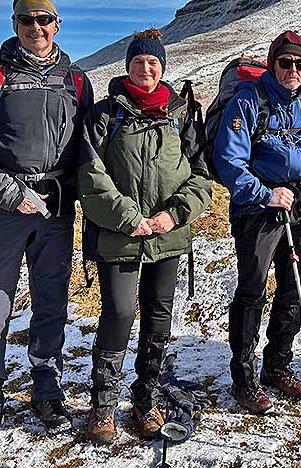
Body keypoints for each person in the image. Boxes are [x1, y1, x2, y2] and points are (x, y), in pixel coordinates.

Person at [0, 0, 94, 456]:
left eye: (44, 20)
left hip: (56, 211)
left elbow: (87, 149)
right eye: (26, 20)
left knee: (52, 303)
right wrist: (12, 194)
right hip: (5, 210)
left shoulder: (76, 80)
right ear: (15, 25)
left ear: (58, 24)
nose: (36, 27)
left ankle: (47, 389)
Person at [77, 28, 212, 444]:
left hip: (167, 237)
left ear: (163, 67)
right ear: (127, 66)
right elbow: (90, 174)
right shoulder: (104, 115)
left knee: (158, 316)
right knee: (119, 313)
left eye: (153, 62)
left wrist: (174, 215)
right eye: (139, 61)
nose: (146, 69)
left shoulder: (180, 115)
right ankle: (103, 403)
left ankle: (145, 397)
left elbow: (201, 175)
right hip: (119, 235)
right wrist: (127, 217)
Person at [213, 30, 301, 415]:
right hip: (257, 210)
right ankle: (244, 378)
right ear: (273, 64)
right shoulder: (248, 101)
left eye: (300, 64)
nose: (293, 69)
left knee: (295, 288)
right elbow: (229, 161)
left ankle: (278, 364)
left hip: (298, 208)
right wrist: (264, 193)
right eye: (286, 62)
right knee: (252, 291)